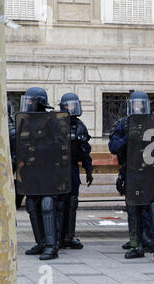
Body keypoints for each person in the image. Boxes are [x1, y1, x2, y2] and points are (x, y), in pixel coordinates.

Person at [109, 90, 154, 263]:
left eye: (141, 104)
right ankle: (136, 245)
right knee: (133, 209)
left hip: (150, 173)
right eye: (135, 104)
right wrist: (128, 137)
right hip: (131, 173)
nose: (138, 107)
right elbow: (113, 146)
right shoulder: (124, 124)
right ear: (130, 106)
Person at [21, 87, 62, 260]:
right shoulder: (26, 120)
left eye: (30, 101)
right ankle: (41, 242)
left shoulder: (51, 121)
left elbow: (58, 146)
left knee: (47, 204)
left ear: (39, 102)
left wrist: (36, 149)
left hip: (48, 170)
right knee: (32, 204)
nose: (27, 104)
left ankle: (52, 246)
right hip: (32, 171)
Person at [56, 93, 93, 250]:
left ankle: (68, 236)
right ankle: (57, 236)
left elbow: (84, 150)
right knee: (59, 203)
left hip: (71, 167)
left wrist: (88, 170)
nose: (71, 108)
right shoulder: (55, 123)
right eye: (68, 105)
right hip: (57, 169)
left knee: (72, 202)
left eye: (73, 105)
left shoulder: (79, 125)